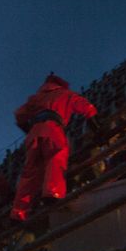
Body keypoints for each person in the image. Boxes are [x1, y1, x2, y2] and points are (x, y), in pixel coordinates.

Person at [10, 73, 98, 222]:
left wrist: (29, 130)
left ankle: (18, 212)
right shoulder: (65, 94)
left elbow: (19, 115)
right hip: (53, 127)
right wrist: (96, 126)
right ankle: (52, 193)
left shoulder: (35, 98)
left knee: (30, 172)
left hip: (34, 133)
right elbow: (86, 107)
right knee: (56, 156)